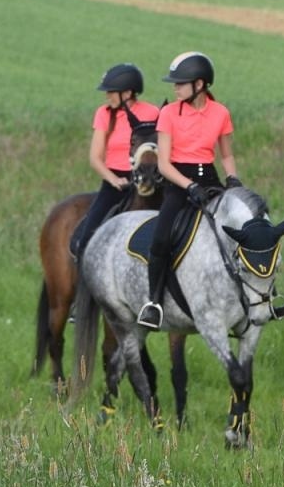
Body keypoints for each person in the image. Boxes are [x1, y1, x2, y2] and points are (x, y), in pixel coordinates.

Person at [137, 51, 240, 329]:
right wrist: (189, 186)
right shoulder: (168, 113)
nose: (175, 87)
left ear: (200, 84)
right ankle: (154, 303)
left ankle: (260, 297)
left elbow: (227, 155)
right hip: (178, 182)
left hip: (210, 178)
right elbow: (163, 163)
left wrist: (233, 180)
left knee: (244, 226)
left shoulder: (220, 113)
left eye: (180, 83)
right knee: (160, 239)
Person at [69, 63, 161, 261]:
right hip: (115, 183)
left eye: (111, 91)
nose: (107, 96)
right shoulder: (103, 114)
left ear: (127, 92)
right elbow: (95, 157)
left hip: (148, 181)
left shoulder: (152, 113)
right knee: (85, 240)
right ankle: (85, 288)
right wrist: (113, 179)